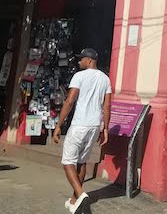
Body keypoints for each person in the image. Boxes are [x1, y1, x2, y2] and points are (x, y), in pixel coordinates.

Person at [53, 48, 112, 213]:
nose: (79, 62)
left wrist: (59, 124)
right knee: (82, 161)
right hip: (94, 125)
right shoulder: (105, 79)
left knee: (67, 161)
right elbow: (106, 105)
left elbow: (70, 101)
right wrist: (105, 128)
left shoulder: (79, 76)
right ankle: (74, 200)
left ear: (89, 60)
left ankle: (80, 194)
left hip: (80, 124)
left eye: (81, 59)